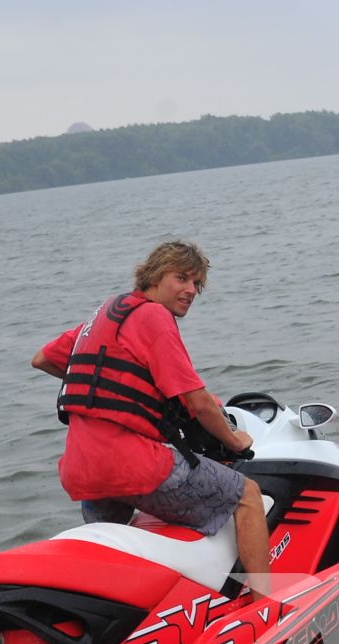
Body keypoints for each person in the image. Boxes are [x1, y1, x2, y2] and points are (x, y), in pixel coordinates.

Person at [30, 239, 273, 596]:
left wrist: (114, 391)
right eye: (182, 278)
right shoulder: (155, 317)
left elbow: (43, 358)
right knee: (247, 496)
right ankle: (267, 603)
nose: (191, 290)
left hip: (83, 471)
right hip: (134, 466)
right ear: (155, 277)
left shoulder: (108, 313)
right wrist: (236, 440)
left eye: (197, 284)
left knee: (111, 543)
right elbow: (200, 403)